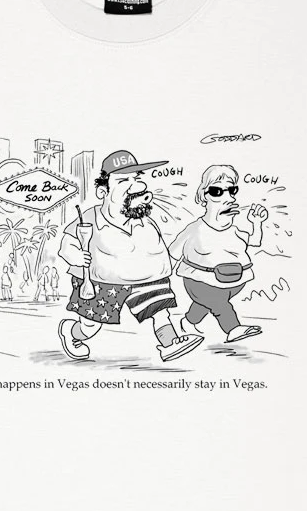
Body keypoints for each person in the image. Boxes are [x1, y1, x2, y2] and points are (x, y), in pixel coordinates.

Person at [57, 149, 203, 362]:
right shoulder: (91, 217)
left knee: (160, 311)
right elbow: (67, 243)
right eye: (124, 180)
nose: (137, 186)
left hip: (146, 279)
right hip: (99, 282)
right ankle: (72, 332)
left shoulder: (145, 221)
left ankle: (170, 344)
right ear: (103, 192)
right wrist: (75, 256)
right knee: (90, 326)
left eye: (137, 178)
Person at [169, 164, 268, 342]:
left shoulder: (235, 230)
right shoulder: (194, 230)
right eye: (217, 192)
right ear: (203, 196)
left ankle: (189, 322)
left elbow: (254, 241)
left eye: (232, 190)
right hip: (199, 282)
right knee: (217, 302)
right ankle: (233, 328)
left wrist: (257, 223)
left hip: (234, 281)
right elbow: (173, 253)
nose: (228, 198)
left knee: (207, 303)